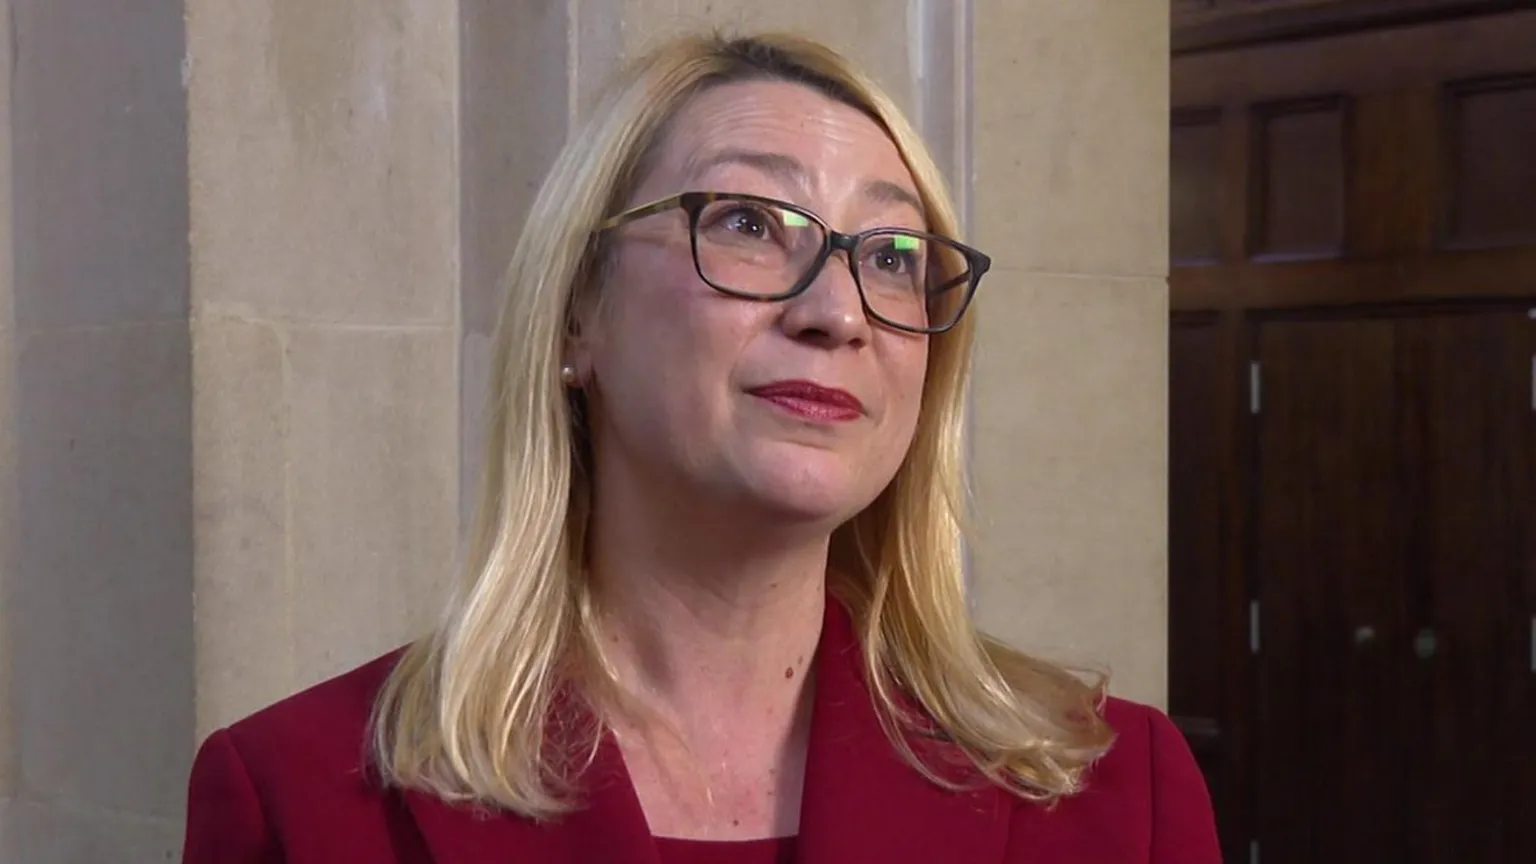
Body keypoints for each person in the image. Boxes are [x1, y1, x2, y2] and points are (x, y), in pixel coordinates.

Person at [182, 31, 1221, 864]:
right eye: (750, 223)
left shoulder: (1120, 793)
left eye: (894, 255)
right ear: (576, 314)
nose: (837, 312)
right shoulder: (298, 798)